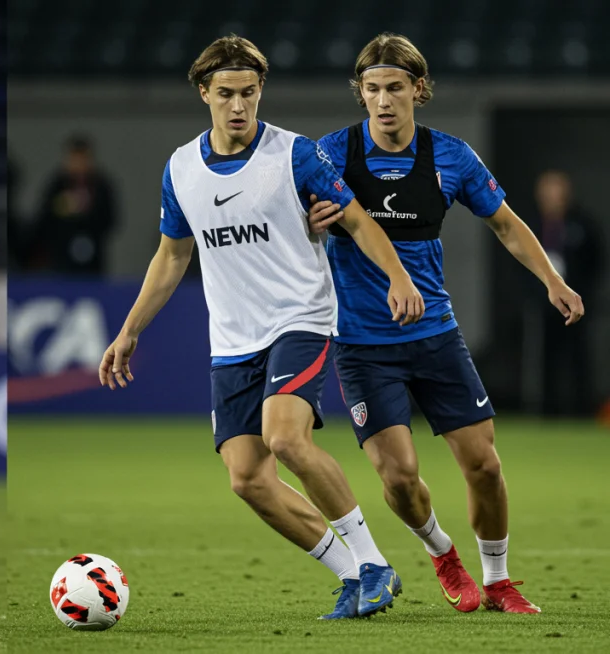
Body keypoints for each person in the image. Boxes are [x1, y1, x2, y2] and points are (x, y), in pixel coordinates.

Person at [99, 34, 425, 620]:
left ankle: (374, 561)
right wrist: (129, 331)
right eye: (225, 93)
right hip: (232, 339)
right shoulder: (180, 168)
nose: (239, 106)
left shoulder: (294, 155)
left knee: (285, 437)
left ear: (260, 92)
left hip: (299, 317)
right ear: (204, 93)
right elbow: (173, 256)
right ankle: (352, 574)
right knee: (248, 479)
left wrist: (398, 276)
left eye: (249, 93)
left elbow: (357, 219)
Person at [306, 33, 585, 615]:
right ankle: (441, 552)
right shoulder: (331, 154)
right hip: (361, 342)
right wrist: (310, 225)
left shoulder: (450, 156)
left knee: (484, 463)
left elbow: (506, 224)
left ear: (419, 90)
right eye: (373, 89)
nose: (384, 100)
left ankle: (499, 580)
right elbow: (291, 226)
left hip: (434, 335)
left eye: (396, 88)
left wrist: (552, 281)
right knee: (400, 478)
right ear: (360, 93)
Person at [533, 170, 602, 416]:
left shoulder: (582, 224)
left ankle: (582, 410)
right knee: (546, 358)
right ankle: (547, 411)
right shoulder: (531, 226)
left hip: (577, 303)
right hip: (545, 306)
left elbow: (596, 260)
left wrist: (586, 293)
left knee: (579, 358)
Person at [34, 135, 117, 275]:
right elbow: (42, 218)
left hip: (94, 255)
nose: (79, 164)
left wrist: (86, 213)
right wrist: (62, 208)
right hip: (61, 256)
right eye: (74, 158)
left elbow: (111, 219)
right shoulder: (56, 185)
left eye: (83, 158)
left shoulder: (101, 185)